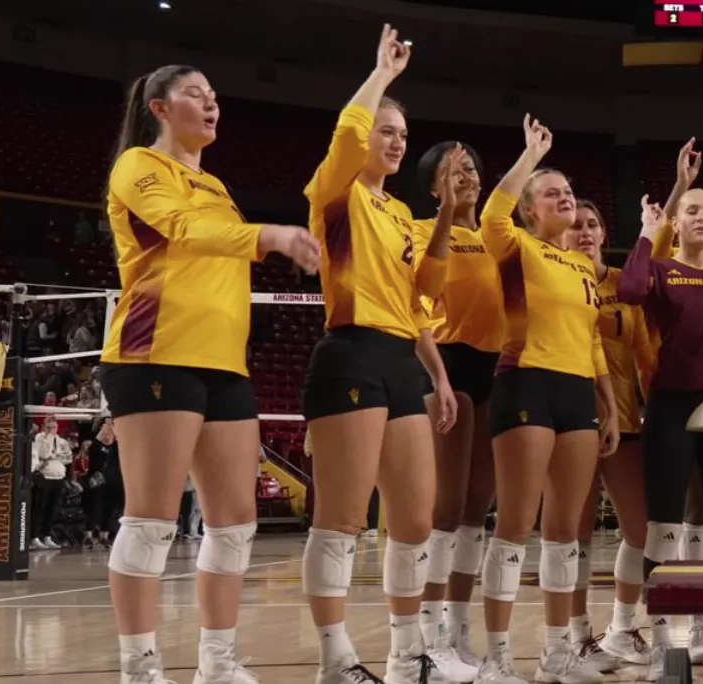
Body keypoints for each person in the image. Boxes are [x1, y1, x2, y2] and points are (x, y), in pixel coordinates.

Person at [99, 62, 319, 684]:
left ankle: (217, 665)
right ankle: (138, 671)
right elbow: (184, 230)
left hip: (224, 363)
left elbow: (215, 240)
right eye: (196, 94)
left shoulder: (218, 187)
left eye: (215, 95)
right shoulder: (139, 166)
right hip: (155, 354)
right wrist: (270, 235)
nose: (211, 103)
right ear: (160, 108)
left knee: (236, 524)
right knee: (150, 522)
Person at [298, 26, 457, 684]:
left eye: (400, 135)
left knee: (415, 521)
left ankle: (405, 655)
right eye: (383, 131)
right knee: (340, 518)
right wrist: (381, 77)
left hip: (400, 361)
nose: (393, 142)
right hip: (351, 354)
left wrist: (445, 216)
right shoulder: (337, 195)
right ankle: (335, 659)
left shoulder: (397, 214)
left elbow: (424, 294)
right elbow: (344, 135)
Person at [476, 115, 620, 684]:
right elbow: (491, 214)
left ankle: (559, 652)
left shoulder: (583, 263)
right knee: (515, 523)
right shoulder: (515, 247)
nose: (564, 199)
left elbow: (590, 340)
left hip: (575, 392)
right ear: (530, 208)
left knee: (565, 531)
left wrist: (607, 404)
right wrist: (529, 160)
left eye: (568, 193)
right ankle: (496, 657)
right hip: (525, 383)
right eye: (551, 194)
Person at [621, 181, 703, 681]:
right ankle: (661, 644)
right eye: (691, 211)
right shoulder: (660, 269)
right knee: (665, 527)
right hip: (671, 406)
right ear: (677, 222)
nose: (701, 218)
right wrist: (645, 232)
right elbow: (629, 291)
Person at [407, 138, 501, 681]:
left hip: (495, 369)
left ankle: (459, 633)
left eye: (468, 167)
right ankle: (427, 637)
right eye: (450, 171)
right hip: (445, 363)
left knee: (473, 512)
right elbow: (423, 292)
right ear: (431, 184)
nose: (463, 176)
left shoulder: (498, 237)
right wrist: (444, 213)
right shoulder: (422, 231)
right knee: (443, 511)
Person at [571, 197, 660, 670]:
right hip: (569, 422)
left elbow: (645, 355)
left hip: (623, 421)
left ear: (605, 233)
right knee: (573, 534)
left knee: (640, 530)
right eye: (575, 225)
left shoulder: (622, 286)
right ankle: (576, 634)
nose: (584, 231)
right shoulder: (555, 278)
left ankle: (622, 628)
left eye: (592, 224)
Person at [79, 418, 123, 551]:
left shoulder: (117, 446)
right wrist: (102, 433)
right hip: (97, 482)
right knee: (94, 509)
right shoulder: (96, 445)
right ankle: (88, 536)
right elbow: (93, 450)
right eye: (106, 426)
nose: (109, 428)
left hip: (114, 482)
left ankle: (104, 536)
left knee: (110, 509)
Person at [31, 416, 74, 550]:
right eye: (48, 427)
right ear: (43, 427)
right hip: (45, 477)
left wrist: (54, 457)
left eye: (54, 427)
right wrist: (49, 439)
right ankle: (34, 537)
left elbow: (68, 458)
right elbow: (43, 454)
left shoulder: (62, 441)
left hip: (59, 477)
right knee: (39, 509)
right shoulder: (39, 438)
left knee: (53, 509)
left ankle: (47, 536)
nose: (51, 430)